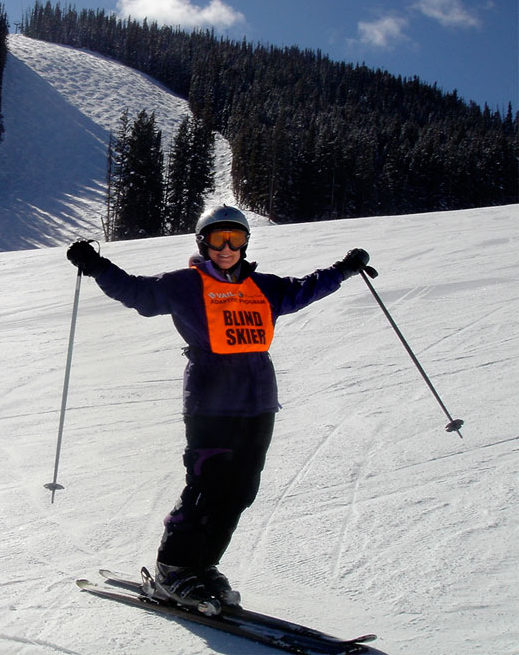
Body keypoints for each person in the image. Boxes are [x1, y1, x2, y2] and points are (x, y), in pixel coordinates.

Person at [66, 204, 373, 611]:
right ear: (202, 242)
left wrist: (344, 269)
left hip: (258, 402)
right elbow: (138, 293)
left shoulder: (264, 286)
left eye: (236, 239)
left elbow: (304, 289)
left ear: (246, 243)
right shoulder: (184, 286)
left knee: (241, 490)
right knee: (207, 488)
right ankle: (173, 568)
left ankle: (202, 565)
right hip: (210, 403)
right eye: (217, 239)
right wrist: (96, 266)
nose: (226, 247)